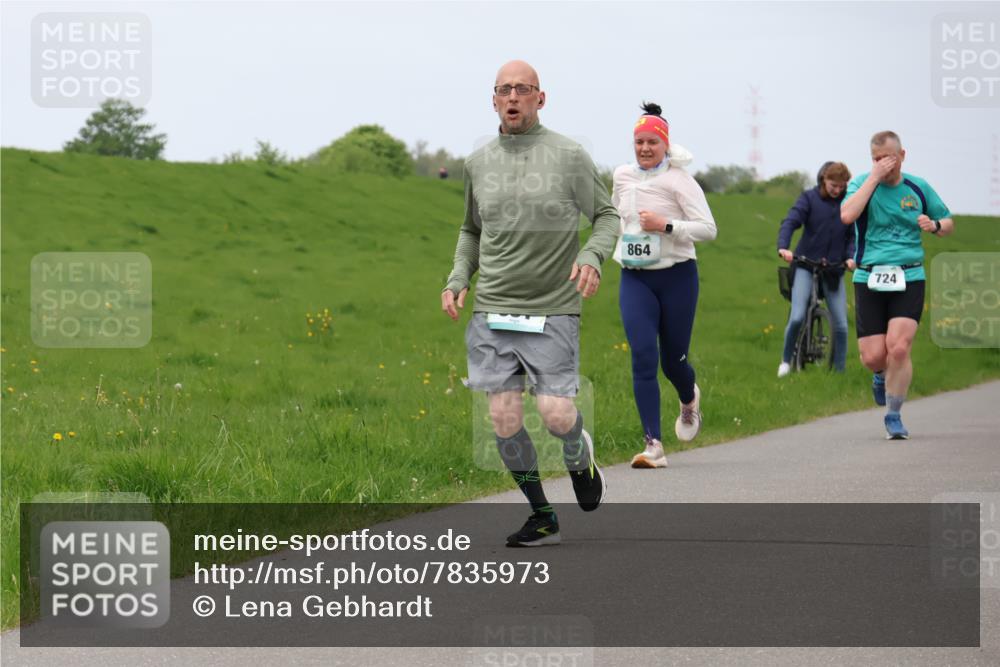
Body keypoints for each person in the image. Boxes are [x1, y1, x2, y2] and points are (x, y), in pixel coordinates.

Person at [441, 60, 620, 546]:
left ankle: (579, 452)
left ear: (541, 98)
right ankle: (542, 515)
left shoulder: (568, 156)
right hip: (492, 307)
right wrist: (459, 277)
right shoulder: (477, 163)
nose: (513, 97)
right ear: (493, 100)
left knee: (557, 414)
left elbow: (606, 216)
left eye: (523, 89)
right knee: (503, 418)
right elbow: (471, 230)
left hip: (552, 306)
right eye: (505, 90)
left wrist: (592, 254)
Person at [611, 102, 717, 469]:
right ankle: (653, 443)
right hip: (635, 277)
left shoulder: (680, 181)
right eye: (639, 142)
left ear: (665, 145)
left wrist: (666, 225)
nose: (644, 149)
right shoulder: (622, 176)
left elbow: (708, 228)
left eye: (651, 142)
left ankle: (689, 399)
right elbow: (616, 216)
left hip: (677, 277)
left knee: (674, 362)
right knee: (642, 355)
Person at [840, 131, 954, 439]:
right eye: (876, 159)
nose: (883, 164)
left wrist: (935, 226)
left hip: (909, 275)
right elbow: (847, 215)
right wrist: (872, 179)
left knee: (900, 348)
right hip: (869, 275)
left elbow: (947, 222)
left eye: (888, 158)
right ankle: (879, 376)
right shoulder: (862, 183)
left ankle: (894, 415)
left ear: (902, 155)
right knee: (874, 357)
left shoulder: (918, 187)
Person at [776, 161, 857, 376]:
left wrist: (851, 257)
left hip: (833, 269)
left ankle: (839, 373)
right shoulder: (809, 199)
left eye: (841, 186)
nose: (837, 190)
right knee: (797, 316)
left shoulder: (849, 203)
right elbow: (791, 221)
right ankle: (785, 361)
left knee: (841, 325)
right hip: (805, 264)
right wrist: (784, 247)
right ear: (823, 180)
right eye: (833, 185)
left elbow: (852, 236)